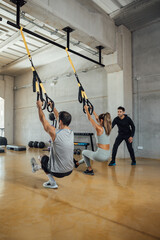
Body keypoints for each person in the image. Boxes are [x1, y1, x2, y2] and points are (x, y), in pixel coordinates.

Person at [31, 100, 74, 189]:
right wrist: (52, 107)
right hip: (70, 170)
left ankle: (52, 182)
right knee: (49, 158)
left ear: (60, 121)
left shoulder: (54, 133)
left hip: (58, 172)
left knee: (41, 157)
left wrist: (39, 107)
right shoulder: (71, 131)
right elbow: (59, 117)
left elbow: (43, 120)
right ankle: (37, 167)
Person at [74, 105, 112, 175]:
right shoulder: (108, 128)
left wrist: (86, 110)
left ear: (101, 120)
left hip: (100, 155)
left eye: (99, 120)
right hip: (108, 155)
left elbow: (90, 118)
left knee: (84, 152)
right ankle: (77, 163)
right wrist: (93, 110)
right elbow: (97, 118)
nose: (97, 120)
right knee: (88, 155)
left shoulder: (99, 128)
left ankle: (89, 170)